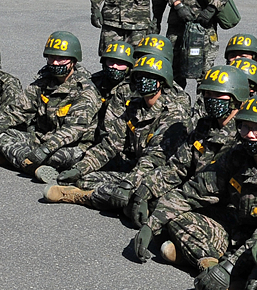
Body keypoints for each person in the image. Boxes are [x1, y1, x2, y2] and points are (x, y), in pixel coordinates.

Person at [132, 95, 257, 290]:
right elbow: (193, 191)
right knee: (178, 219)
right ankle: (212, 268)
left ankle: (217, 272)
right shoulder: (237, 155)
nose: (250, 135)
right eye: (245, 127)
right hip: (237, 232)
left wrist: (230, 266)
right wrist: (152, 224)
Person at [41, 51, 189, 206]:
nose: (143, 81)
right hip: (136, 167)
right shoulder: (134, 106)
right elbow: (111, 144)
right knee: (85, 180)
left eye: (150, 78)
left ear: (163, 82)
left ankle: (84, 197)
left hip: (160, 176)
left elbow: (155, 159)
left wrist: (129, 184)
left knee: (145, 199)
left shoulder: (174, 113)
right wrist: (80, 168)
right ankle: (105, 197)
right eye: (139, 77)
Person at [0, 31, 100, 177]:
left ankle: (19, 161)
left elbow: (74, 129)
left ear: (73, 61)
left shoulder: (85, 89)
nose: (55, 63)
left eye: (61, 59)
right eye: (51, 58)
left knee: (56, 158)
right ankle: (31, 166)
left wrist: (46, 149)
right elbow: (16, 110)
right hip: (41, 138)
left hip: (72, 146)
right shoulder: (43, 82)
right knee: (1, 136)